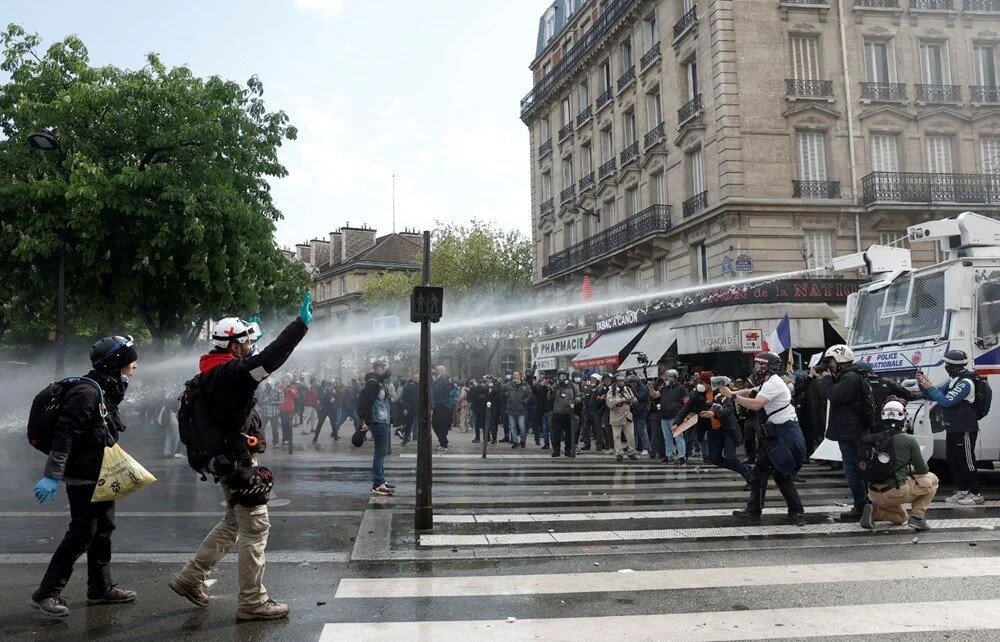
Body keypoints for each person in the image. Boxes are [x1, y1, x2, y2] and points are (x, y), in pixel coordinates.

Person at [169, 294, 311, 621]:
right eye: (246, 343)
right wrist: (300, 326)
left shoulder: (212, 370)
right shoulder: (231, 375)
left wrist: (253, 332)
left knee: (234, 523)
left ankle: (189, 578)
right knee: (256, 528)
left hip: (225, 458)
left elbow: (256, 357)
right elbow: (269, 359)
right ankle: (252, 602)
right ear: (234, 347)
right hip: (237, 461)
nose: (251, 347)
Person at [31, 336, 140, 618]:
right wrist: (52, 475)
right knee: (82, 532)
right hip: (83, 474)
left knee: (104, 528)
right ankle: (46, 593)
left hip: (99, 470)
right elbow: (64, 433)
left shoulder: (105, 387)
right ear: (115, 363)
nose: (135, 366)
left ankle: (100, 589)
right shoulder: (86, 393)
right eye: (130, 360)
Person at [727, 352, 808, 526]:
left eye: (759, 365)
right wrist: (728, 393)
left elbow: (756, 403)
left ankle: (793, 512)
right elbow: (751, 391)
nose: (756, 368)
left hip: (784, 434)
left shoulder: (774, 384)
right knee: (765, 471)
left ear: (768, 367)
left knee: (779, 473)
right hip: (780, 433)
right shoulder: (768, 382)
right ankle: (758, 510)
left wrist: (732, 396)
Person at [918, 349, 984, 505]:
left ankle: (976, 494)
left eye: (947, 364)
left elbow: (947, 401)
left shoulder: (965, 382)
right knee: (953, 460)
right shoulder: (952, 380)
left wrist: (930, 387)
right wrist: (922, 384)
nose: (945, 366)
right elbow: (932, 394)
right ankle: (962, 490)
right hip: (953, 427)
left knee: (967, 461)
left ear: (955, 366)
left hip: (965, 428)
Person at [861, 399, 939, 531]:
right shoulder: (908, 440)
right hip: (896, 492)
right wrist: (906, 470)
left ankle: (876, 512)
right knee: (933, 479)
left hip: (873, 493)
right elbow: (923, 469)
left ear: (883, 417)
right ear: (903, 417)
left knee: (902, 518)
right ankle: (918, 517)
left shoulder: (872, 439)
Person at [816, 344, 871, 522]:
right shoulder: (850, 376)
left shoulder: (850, 378)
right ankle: (865, 504)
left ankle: (861, 506)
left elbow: (833, 395)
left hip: (851, 432)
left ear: (840, 360)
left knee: (853, 470)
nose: (829, 365)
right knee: (858, 469)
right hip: (852, 430)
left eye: (830, 361)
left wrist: (824, 379)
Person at [701, 376, 753, 487]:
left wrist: (714, 412)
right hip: (715, 431)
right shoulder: (703, 393)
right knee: (714, 458)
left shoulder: (726, 395)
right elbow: (690, 405)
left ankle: (750, 479)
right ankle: (745, 468)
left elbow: (728, 409)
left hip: (728, 430)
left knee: (730, 457)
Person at [357, 360, 396, 496]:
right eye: (385, 368)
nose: (387, 370)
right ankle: (378, 484)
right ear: (378, 369)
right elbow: (367, 402)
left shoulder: (380, 383)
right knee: (379, 454)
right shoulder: (373, 383)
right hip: (377, 421)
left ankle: (381, 481)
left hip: (382, 420)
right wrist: (367, 422)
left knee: (382, 453)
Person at [651, 369, 687, 464]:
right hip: (664, 416)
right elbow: (655, 395)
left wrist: (683, 417)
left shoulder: (681, 388)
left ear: (675, 378)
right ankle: (669, 455)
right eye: (667, 377)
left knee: (678, 437)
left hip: (675, 417)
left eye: (670, 377)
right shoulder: (664, 387)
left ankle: (682, 457)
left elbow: (686, 403)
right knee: (667, 438)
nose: (667, 378)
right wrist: (651, 388)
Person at [606, 373, 638, 461]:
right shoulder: (611, 391)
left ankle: (631, 452)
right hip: (616, 417)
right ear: (616, 382)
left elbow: (633, 399)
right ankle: (619, 453)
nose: (621, 383)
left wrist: (634, 400)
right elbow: (610, 403)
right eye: (619, 381)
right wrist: (621, 400)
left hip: (627, 416)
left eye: (622, 381)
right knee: (617, 436)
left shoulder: (627, 389)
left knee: (631, 436)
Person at [550, 370, 580, 458]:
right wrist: (551, 391)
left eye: (564, 376)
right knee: (556, 434)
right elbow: (550, 398)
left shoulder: (572, 385)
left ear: (567, 376)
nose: (562, 377)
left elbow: (578, 395)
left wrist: (576, 400)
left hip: (568, 413)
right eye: (560, 376)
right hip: (557, 412)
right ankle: (556, 451)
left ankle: (568, 451)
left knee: (569, 434)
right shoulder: (556, 385)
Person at [504, 371, 532, 449]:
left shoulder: (525, 385)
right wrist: (506, 396)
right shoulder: (509, 384)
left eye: (516, 375)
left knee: (522, 427)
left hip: (521, 409)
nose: (514, 376)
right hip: (511, 408)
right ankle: (515, 442)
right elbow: (502, 389)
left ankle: (522, 441)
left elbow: (530, 395)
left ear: (520, 376)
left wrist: (525, 402)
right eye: (513, 375)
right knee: (512, 426)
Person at [431, 366, 454, 451]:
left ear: (440, 371)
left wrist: (433, 379)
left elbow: (436, 388)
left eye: (436, 370)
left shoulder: (443, 378)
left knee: (438, 424)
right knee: (436, 424)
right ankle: (444, 441)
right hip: (441, 404)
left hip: (442, 404)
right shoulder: (444, 378)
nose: (435, 372)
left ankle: (443, 444)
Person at [628, 372, 650, 456]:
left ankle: (645, 447)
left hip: (641, 412)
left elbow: (637, 398)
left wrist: (633, 391)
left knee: (642, 430)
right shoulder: (634, 388)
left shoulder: (643, 388)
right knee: (635, 431)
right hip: (634, 412)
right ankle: (638, 447)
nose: (632, 384)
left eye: (633, 382)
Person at [400, 373, 419, 446]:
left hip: (419, 407)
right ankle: (405, 439)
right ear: (412, 378)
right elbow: (404, 398)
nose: (417, 379)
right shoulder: (408, 387)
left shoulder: (420, 385)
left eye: (418, 377)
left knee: (419, 423)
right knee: (409, 424)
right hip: (412, 407)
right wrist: (405, 408)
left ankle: (416, 436)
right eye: (416, 377)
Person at [278, 380, 297, 446]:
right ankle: (285, 439)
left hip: (289, 410)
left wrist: (288, 389)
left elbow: (294, 395)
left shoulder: (293, 388)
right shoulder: (282, 387)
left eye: (288, 378)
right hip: (283, 409)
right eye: (286, 378)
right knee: (284, 425)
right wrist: (284, 387)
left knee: (289, 425)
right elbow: (279, 390)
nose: (287, 380)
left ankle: (289, 439)